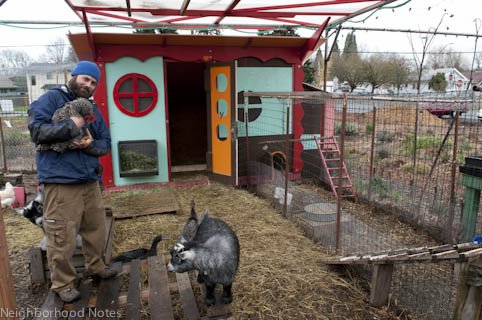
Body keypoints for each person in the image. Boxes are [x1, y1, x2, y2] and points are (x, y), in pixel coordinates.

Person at [28, 61, 117, 302]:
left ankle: (95, 266)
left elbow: (105, 142)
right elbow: (37, 132)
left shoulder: (91, 108)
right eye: (85, 79)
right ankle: (63, 283)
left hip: (89, 180)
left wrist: (89, 146)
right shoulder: (51, 100)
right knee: (61, 234)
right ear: (73, 76)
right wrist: (72, 126)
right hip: (61, 181)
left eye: (93, 82)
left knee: (96, 228)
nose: (88, 85)